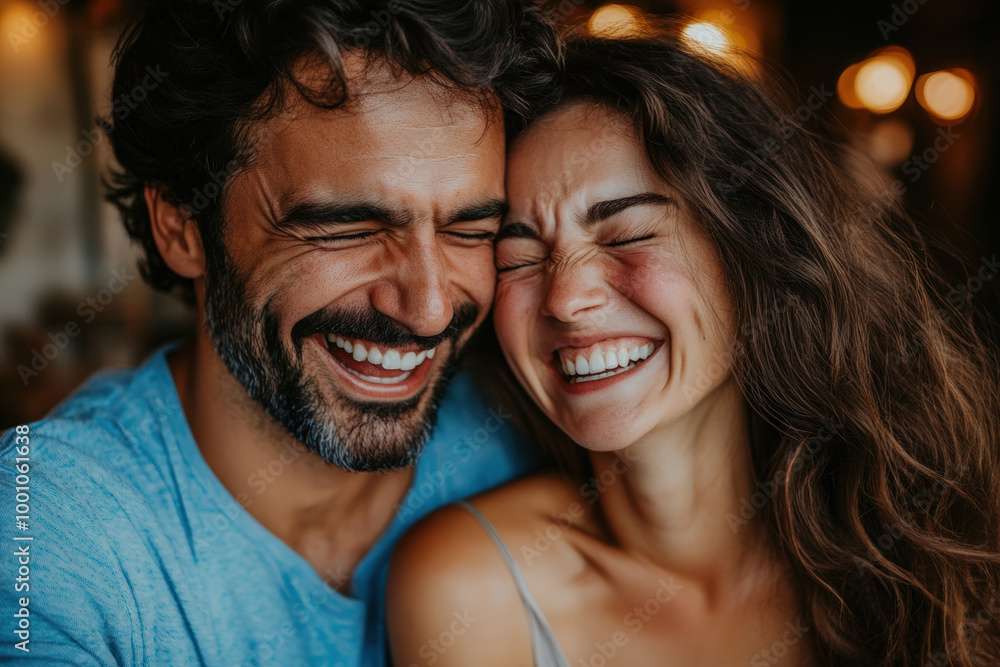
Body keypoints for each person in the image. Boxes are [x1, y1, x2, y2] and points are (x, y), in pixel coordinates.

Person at [387, 29, 1000, 667]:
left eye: (627, 234)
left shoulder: (934, 545)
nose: (565, 299)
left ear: (752, 254)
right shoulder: (472, 587)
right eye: (520, 256)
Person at [0, 1, 559, 664]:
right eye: (348, 226)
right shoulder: (48, 519)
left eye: (470, 229)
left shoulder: (532, 440)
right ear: (181, 226)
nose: (431, 308)